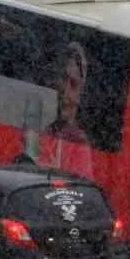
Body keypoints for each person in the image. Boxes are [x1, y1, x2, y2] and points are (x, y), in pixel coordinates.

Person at [39, 42, 95, 177]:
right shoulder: (45, 130)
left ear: (81, 93)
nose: (66, 91)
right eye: (63, 80)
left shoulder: (79, 143)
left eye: (74, 84)